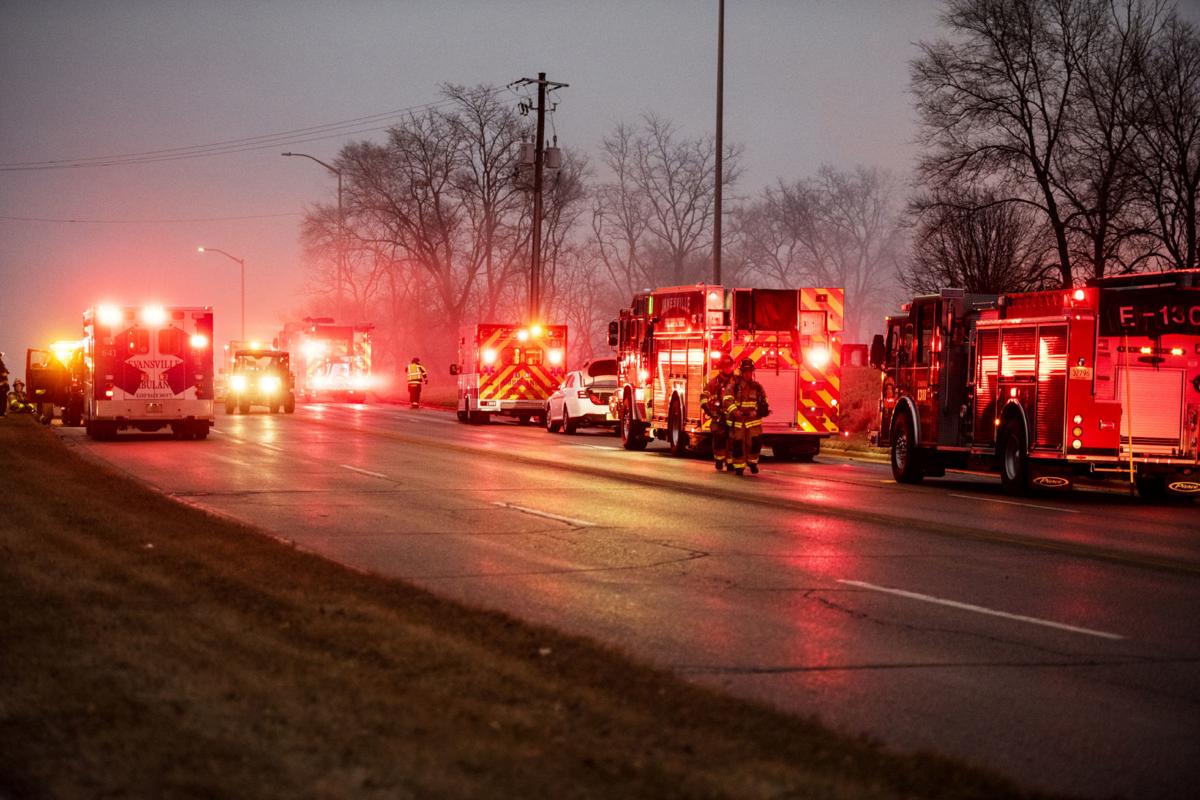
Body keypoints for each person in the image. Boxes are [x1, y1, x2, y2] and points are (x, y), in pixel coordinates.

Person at [722, 359, 769, 476]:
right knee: (738, 444)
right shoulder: (734, 386)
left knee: (755, 443)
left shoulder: (758, 387)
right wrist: (734, 411)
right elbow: (727, 399)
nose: (748, 374)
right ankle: (739, 466)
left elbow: (764, 403)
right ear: (742, 372)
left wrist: (757, 412)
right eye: (746, 372)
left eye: (750, 372)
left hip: (754, 422)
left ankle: (752, 463)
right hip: (739, 423)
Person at [700, 353, 736, 470]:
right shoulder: (713, 382)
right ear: (721, 367)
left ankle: (730, 462)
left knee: (733, 438)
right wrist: (707, 409)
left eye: (729, 366)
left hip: (733, 416)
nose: (728, 368)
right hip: (718, 415)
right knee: (719, 437)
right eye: (725, 366)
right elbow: (704, 395)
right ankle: (719, 460)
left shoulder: (737, 383)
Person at [0, 352, 9, 417]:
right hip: (1, 386)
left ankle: (3, 412)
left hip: (3, 387)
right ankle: (1, 413)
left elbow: (5, 374)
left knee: (3, 398)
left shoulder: (1, 364)